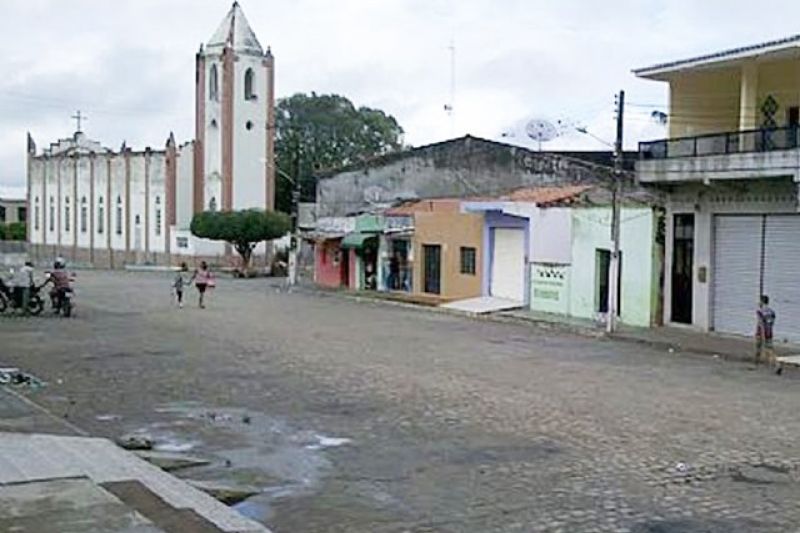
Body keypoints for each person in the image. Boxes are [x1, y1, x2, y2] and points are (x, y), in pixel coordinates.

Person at [755, 295, 777, 369]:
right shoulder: (772, 312)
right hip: (769, 332)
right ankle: (772, 364)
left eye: (760, 301)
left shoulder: (760, 311)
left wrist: (762, 334)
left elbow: (760, 323)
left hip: (761, 333)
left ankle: (757, 363)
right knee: (770, 348)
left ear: (762, 302)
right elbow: (772, 323)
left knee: (759, 347)